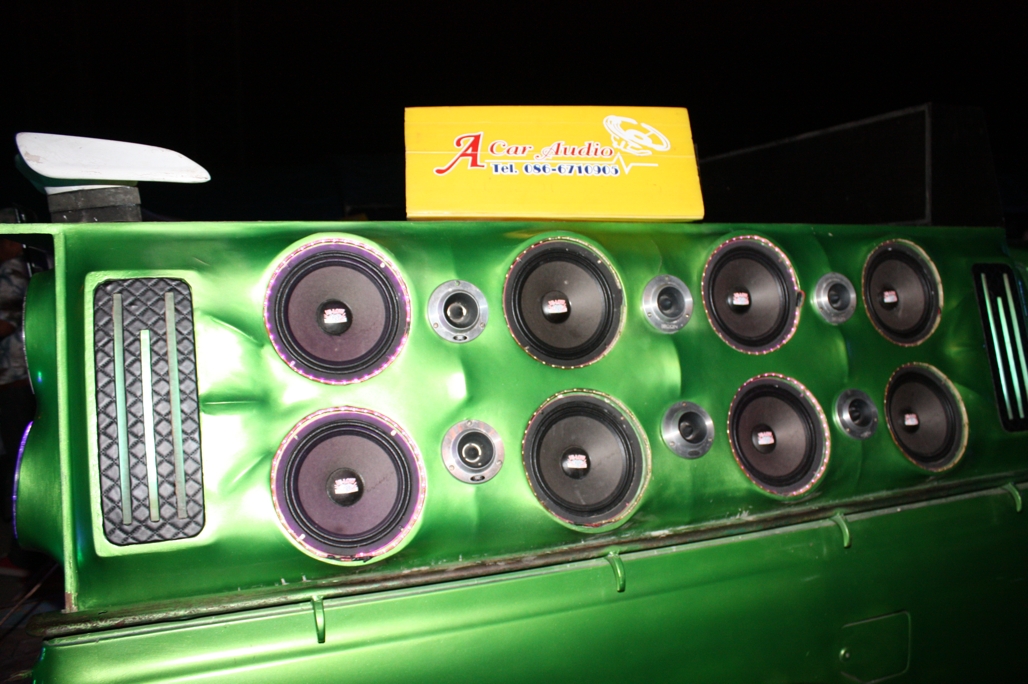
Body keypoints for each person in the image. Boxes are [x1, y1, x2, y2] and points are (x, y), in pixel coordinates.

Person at [0, 238, 34, 521]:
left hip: (16, 380)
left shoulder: (13, 270)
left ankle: (21, 523)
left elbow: (5, 324)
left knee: (19, 457)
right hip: (17, 380)